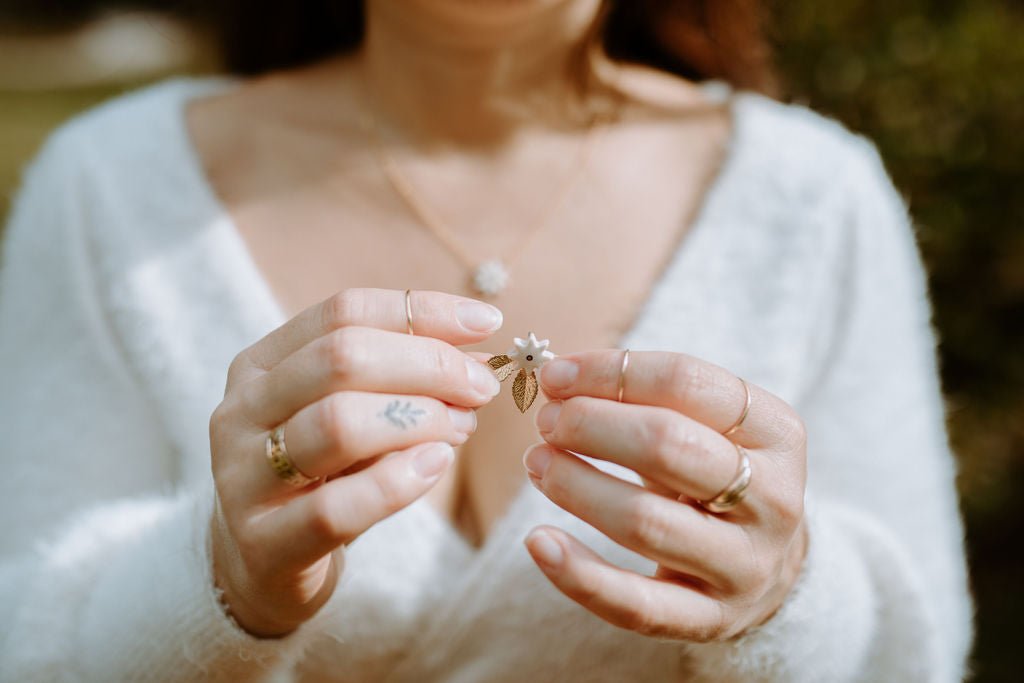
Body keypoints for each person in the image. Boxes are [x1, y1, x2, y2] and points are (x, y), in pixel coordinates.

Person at [0, 1, 975, 681]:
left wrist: (785, 588)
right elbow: (31, 642)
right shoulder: (111, 189)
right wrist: (218, 578)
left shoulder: (813, 196)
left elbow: (908, 655)